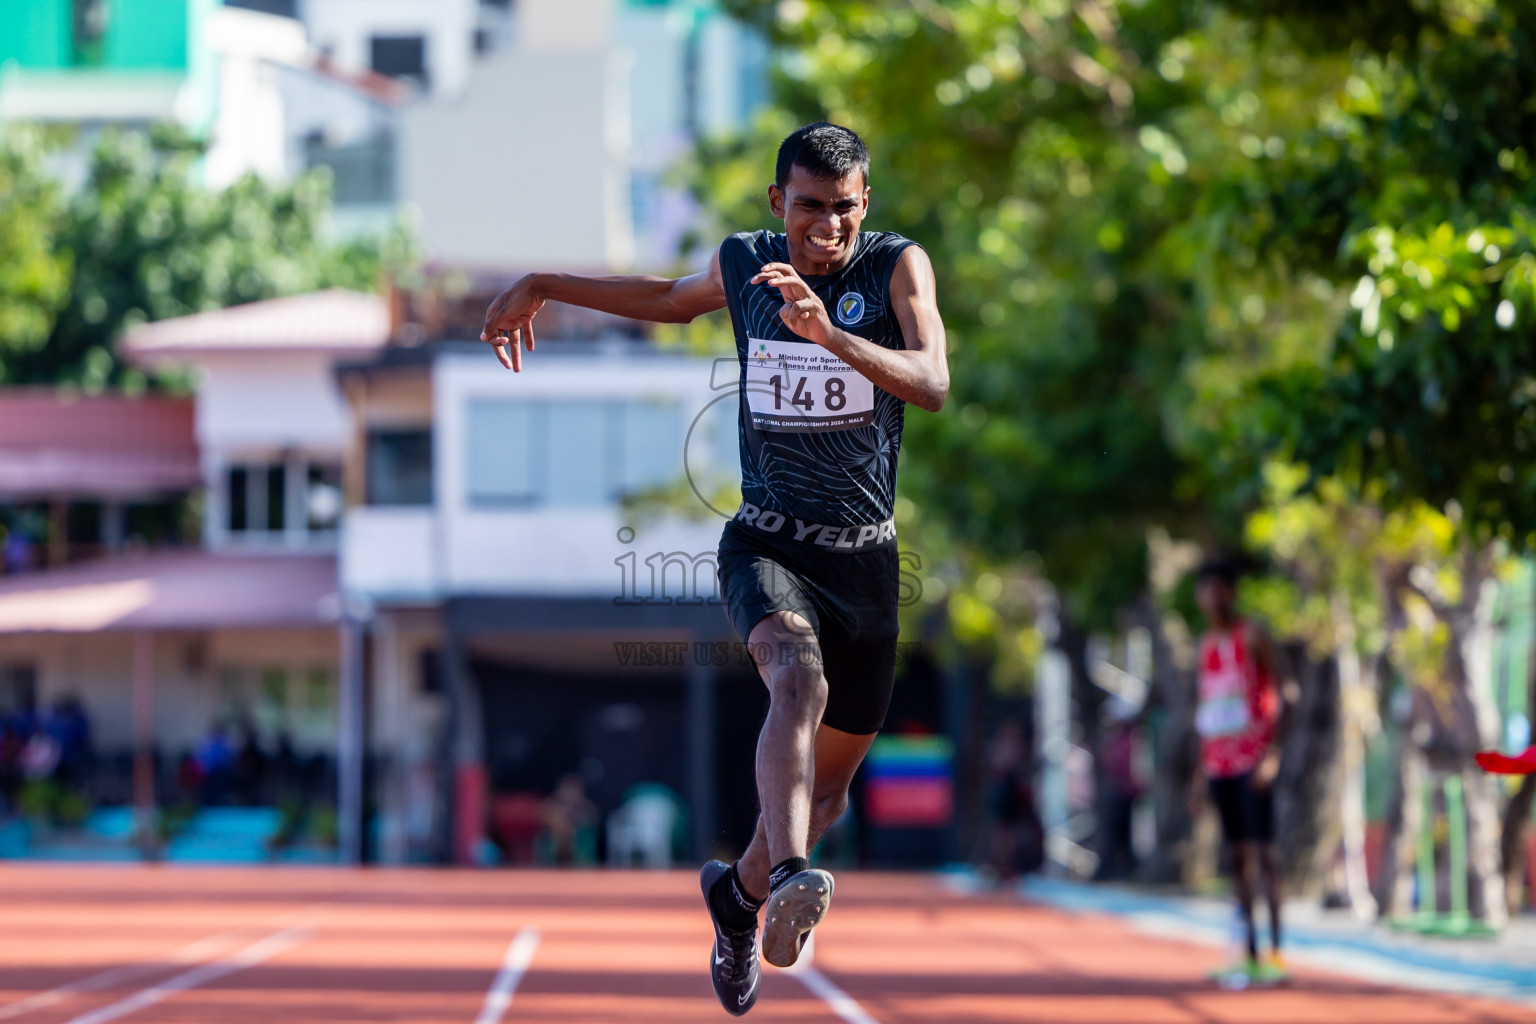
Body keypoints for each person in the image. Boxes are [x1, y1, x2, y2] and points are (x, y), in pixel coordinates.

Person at [480, 122, 948, 1016]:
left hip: (867, 561)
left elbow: (931, 381)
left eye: (844, 211)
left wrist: (828, 336)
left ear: (865, 207)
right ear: (779, 203)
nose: (827, 229)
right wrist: (541, 281)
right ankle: (791, 881)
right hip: (768, 544)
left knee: (832, 793)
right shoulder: (744, 263)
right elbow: (666, 296)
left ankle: (737, 901)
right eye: (809, 209)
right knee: (796, 684)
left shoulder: (896, 267)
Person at [1189, 558, 1290, 985]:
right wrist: (1199, 775)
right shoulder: (1204, 646)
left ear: (1231, 591)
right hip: (1219, 764)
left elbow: (1286, 691)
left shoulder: (1253, 636)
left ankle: (1277, 952)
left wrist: (1273, 754)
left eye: (1218, 588)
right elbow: (1208, 715)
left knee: (1263, 855)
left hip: (1253, 760)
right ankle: (1247, 949)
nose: (1211, 598)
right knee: (1235, 858)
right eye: (1204, 590)